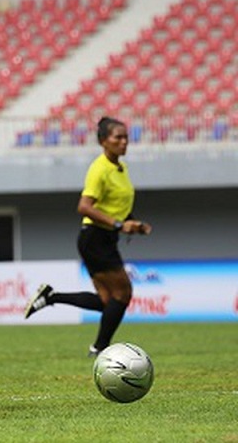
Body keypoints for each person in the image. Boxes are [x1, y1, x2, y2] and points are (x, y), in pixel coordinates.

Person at [24, 117, 152, 357]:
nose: (124, 142)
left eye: (126, 137)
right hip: (95, 238)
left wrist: (132, 223)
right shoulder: (100, 168)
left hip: (102, 238)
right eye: (118, 137)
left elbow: (116, 206)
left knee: (107, 300)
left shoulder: (120, 168)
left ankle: (51, 296)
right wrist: (118, 225)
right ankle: (99, 347)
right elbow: (84, 206)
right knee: (123, 294)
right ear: (103, 141)